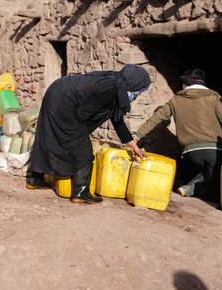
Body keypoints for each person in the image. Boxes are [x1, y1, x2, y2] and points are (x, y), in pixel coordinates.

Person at [29, 65, 151, 204]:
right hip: (64, 100)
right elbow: (83, 113)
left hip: (57, 91)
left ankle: (35, 179)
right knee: (83, 150)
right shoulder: (109, 89)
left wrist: (131, 144)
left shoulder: (116, 84)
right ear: (135, 84)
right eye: (140, 91)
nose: (139, 94)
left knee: (49, 137)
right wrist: (81, 136)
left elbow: (117, 119)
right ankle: (81, 193)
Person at [134, 68, 222, 204]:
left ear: (185, 84)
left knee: (210, 178)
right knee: (219, 168)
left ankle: (194, 189)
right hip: (216, 151)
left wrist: (137, 136)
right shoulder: (214, 97)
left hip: (189, 153)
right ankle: (191, 187)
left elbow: (156, 118)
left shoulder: (175, 100)